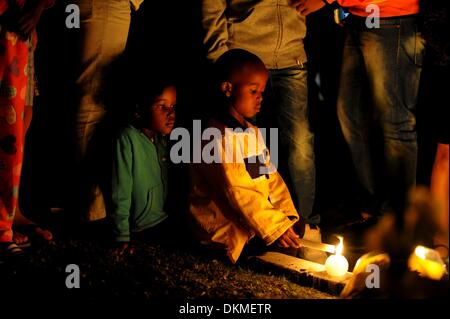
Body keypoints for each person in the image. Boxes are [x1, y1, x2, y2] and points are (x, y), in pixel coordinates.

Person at [295, 0, 425, 219]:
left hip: (392, 18)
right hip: (361, 18)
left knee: (395, 121)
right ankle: (376, 206)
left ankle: (401, 216)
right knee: (350, 114)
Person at [201, 0, 318, 232]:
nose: (259, 98)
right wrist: (222, 58)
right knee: (244, 153)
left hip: (290, 54)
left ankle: (301, 225)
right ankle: (254, 225)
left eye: (259, 94)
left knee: (298, 146)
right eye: (257, 94)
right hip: (243, 57)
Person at [188, 49, 313, 264]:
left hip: (251, 220)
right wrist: (274, 227)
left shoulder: (250, 132)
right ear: (228, 88)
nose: (260, 99)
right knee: (274, 243)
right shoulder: (217, 139)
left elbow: (268, 178)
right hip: (223, 228)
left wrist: (286, 217)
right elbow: (239, 190)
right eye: (253, 91)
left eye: (262, 92)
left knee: (294, 229)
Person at [0, 0, 53, 260]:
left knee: (19, 125)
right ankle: (3, 221)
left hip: (22, 35)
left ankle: (12, 211)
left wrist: (36, 8)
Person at [109, 77, 176, 256]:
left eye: (173, 106)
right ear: (139, 111)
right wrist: (121, 235)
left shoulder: (161, 139)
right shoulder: (126, 138)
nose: (171, 113)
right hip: (142, 227)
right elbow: (120, 189)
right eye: (162, 106)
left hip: (162, 220)